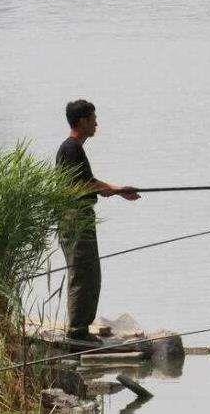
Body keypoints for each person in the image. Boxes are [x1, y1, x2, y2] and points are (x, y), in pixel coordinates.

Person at [56, 99, 140, 343]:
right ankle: (78, 332)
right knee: (85, 273)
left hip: (78, 216)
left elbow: (88, 181)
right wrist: (117, 190)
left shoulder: (74, 148)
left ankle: (80, 328)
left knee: (88, 272)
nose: (96, 123)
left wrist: (119, 190)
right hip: (75, 218)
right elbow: (85, 184)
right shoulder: (71, 148)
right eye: (93, 119)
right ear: (82, 121)